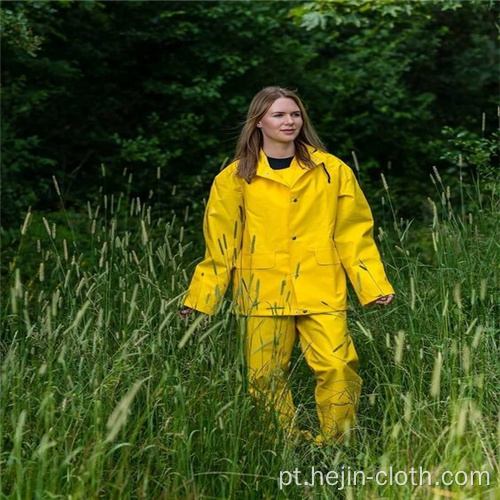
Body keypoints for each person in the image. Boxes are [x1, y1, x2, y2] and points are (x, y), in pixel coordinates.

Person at [180, 86, 395, 446]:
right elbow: (221, 243)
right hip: (261, 289)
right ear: (259, 121)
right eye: (279, 114)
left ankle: (335, 443)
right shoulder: (234, 178)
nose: (289, 121)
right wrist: (201, 295)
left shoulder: (332, 170)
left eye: (295, 114)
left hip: (321, 285)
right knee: (264, 376)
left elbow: (354, 232)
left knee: (339, 367)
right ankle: (284, 443)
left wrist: (373, 284)